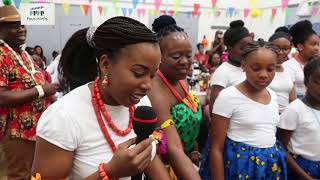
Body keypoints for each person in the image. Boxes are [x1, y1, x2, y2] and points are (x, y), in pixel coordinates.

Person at [32, 16, 170, 180]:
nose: (148, 85)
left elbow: (150, 160)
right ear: (105, 65)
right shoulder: (63, 117)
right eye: (139, 73)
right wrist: (110, 173)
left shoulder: (141, 104)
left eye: (152, 75)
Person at [208, 40, 287, 180]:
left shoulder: (273, 96)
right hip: (240, 165)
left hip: (269, 165)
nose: (264, 74)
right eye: (256, 68)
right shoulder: (228, 96)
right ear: (244, 65)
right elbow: (216, 148)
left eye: (270, 69)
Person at [0, 4, 59, 179]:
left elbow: (37, 82)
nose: (21, 29)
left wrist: (52, 97)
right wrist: (42, 90)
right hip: (16, 131)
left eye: (22, 25)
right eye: (14, 26)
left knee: (35, 174)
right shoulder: (1, 55)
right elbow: (2, 97)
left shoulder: (22, 53)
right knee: (19, 175)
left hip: (37, 129)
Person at [145, 15, 201, 179]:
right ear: (158, 56)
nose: (184, 62)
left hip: (188, 157)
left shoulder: (180, 77)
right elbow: (173, 147)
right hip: (166, 165)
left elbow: (191, 115)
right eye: (176, 57)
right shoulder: (156, 90)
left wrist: (195, 149)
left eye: (188, 55)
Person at [277, 59, 320, 180]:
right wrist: (305, 176)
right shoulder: (295, 110)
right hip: (301, 168)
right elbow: (281, 147)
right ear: (306, 82)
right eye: (318, 82)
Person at [283, 20, 320, 99]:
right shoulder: (288, 66)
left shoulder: (317, 64)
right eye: (313, 44)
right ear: (300, 46)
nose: (317, 48)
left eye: (318, 44)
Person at [268, 31, 296, 113]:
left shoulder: (289, 70)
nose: (280, 52)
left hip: (285, 117)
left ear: (290, 49)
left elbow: (292, 99)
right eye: (276, 48)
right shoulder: (261, 69)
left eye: (285, 49)